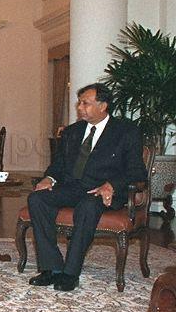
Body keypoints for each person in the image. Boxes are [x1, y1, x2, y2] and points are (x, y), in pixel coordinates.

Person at [27, 82, 147, 292]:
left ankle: (70, 273)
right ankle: (51, 267)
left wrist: (112, 185)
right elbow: (58, 165)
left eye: (86, 103)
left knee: (87, 207)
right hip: (72, 187)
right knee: (37, 199)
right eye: (80, 103)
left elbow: (137, 171)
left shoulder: (126, 132)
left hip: (101, 191)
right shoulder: (72, 131)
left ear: (103, 106)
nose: (80, 108)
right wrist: (49, 178)